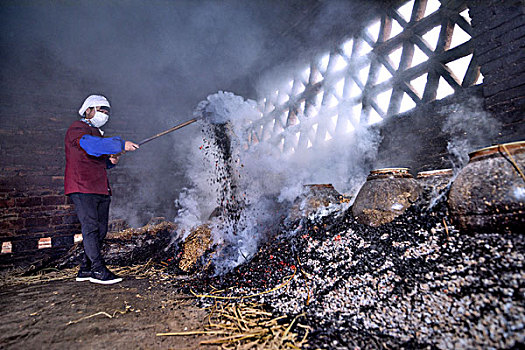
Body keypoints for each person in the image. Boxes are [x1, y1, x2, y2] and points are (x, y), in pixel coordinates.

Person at [65, 95, 139, 284]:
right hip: (82, 187)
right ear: (88, 110)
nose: (104, 114)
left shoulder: (97, 133)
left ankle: (85, 269)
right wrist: (120, 144)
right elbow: (91, 146)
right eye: (100, 109)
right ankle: (98, 270)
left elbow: (98, 161)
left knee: (100, 229)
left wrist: (111, 160)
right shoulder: (78, 128)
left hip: (98, 187)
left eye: (106, 111)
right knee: (90, 228)